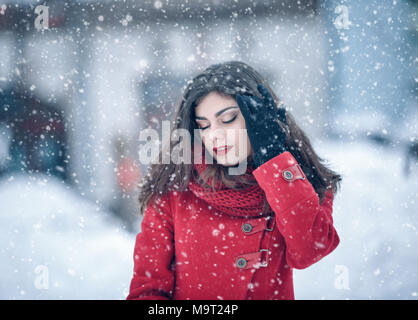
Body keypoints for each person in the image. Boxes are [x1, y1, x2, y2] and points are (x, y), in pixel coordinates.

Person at [126, 60, 342, 300]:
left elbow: (310, 249)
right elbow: (146, 292)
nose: (215, 135)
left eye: (228, 119)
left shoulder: (299, 179)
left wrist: (274, 159)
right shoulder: (174, 190)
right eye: (204, 126)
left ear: (259, 115)